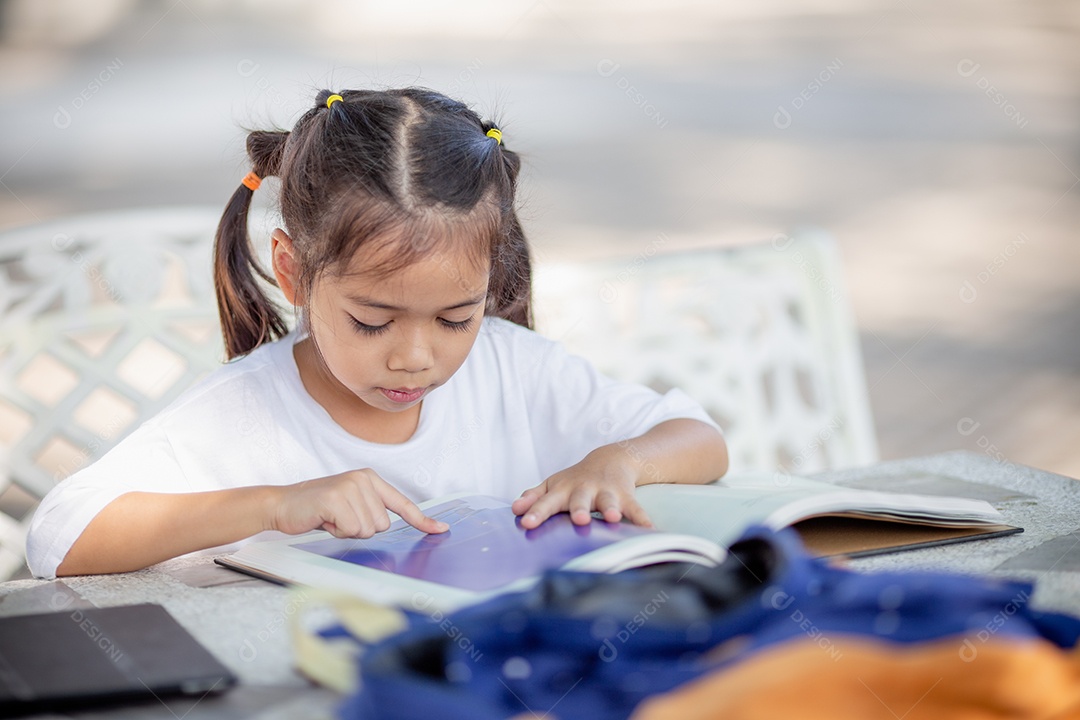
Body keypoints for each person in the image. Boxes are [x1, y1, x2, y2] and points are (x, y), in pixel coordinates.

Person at [26, 87, 728, 579]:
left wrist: (619, 463)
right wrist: (277, 503)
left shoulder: (516, 371)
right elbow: (57, 538)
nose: (416, 356)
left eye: (457, 318)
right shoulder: (245, 414)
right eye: (372, 320)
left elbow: (700, 439)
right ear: (293, 273)